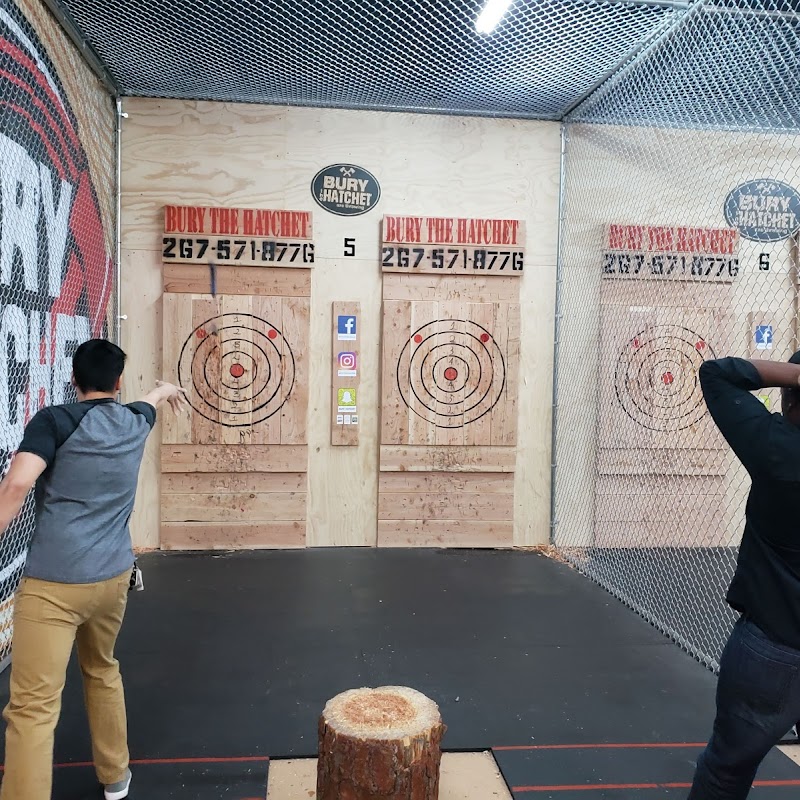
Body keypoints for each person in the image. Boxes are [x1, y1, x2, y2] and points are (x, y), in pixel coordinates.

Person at [0, 339, 187, 800]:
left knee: (32, 709)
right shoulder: (136, 421)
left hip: (54, 587)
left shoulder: (55, 420)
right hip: (112, 580)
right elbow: (149, 402)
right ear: (118, 382)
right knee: (102, 669)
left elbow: (19, 482)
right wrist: (166, 389)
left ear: (73, 379)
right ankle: (116, 777)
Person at [689, 352, 800, 800]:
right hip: (770, 648)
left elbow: (716, 373)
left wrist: (795, 375)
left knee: (726, 770)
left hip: (770, 648)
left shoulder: (776, 447)